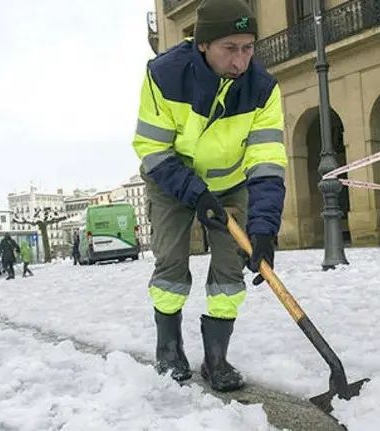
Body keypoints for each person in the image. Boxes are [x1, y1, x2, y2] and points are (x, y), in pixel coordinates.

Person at [132, 0, 287, 392]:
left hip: (229, 184)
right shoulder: (164, 76)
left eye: (248, 47)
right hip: (170, 180)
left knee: (230, 270)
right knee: (170, 262)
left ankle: (216, 359)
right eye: (230, 48)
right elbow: (152, 149)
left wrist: (264, 230)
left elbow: (267, 162)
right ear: (203, 44)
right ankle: (169, 349)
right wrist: (195, 193)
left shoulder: (263, 90)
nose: (241, 60)